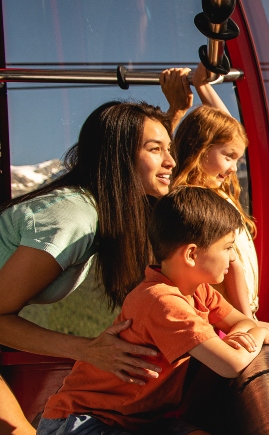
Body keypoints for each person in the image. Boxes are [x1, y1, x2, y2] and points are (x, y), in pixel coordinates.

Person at [37, 186, 269, 435]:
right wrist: (260, 334)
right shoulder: (162, 301)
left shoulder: (199, 291)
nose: (232, 259)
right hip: (84, 420)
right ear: (192, 254)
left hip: (138, 419)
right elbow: (230, 364)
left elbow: (242, 322)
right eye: (228, 248)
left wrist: (249, 332)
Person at [0, 98, 178, 434]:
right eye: (156, 149)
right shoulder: (73, 218)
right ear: (118, 157)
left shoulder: (98, 211)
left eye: (169, 149)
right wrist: (89, 350)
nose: (170, 161)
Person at [171, 72, 260, 322]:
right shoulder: (199, 202)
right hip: (224, 317)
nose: (233, 168)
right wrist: (246, 320)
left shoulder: (215, 190)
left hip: (234, 312)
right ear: (200, 147)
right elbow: (231, 267)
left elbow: (229, 129)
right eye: (229, 157)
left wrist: (203, 86)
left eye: (237, 159)